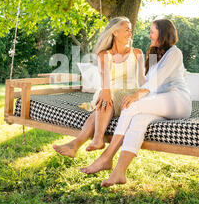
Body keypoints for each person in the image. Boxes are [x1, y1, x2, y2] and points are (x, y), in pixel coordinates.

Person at [80, 18, 192, 187]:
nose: (149, 36)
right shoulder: (154, 54)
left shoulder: (174, 52)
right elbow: (148, 81)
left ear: (162, 33)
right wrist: (137, 91)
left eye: (152, 32)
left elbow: (156, 81)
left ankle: (106, 157)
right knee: (137, 120)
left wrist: (136, 95)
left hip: (177, 101)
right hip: (160, 103)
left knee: (130, 105)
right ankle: (119, 172)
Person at [53, 17, 146, 157]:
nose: (130, 34)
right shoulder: (104, 55)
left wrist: (145, 94)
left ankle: (86, 141)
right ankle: (88, 142)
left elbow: (143, 80)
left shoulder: (137, 53)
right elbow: (105, 80)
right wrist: (105, 92)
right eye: (127, 30)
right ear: (115, 32)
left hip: (130, 95)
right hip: (108, 93)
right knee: (106, 96)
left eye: (130, 30)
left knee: (104, 101)